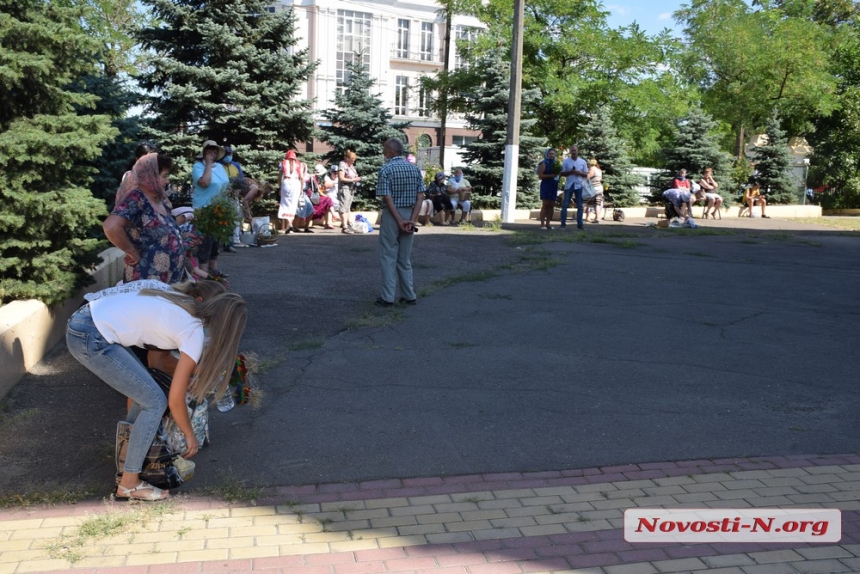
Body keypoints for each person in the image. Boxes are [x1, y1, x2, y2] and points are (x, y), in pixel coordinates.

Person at [66, 290, 247, 501]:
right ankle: (129, 485)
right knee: (154, 402)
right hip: (90, 335)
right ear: (228, 327)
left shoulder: (184, 304)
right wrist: (190, 435)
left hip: (86, 322)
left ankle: (127, 471)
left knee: (146, 397)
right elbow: (175, 400)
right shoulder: (193, 333)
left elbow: (158, 363)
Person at [104, 153, 186, 285]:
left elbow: (163, 232)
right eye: (164, 176)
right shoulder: (137, 198)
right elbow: (111, 226)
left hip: (167, 283)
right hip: (146, 282)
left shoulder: (158, 199)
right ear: (150, 176)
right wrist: (131, 251)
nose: (167, 181)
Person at [375, 138, 424, 307]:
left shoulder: (386, 170)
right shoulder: (414, 169)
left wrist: (398, 220)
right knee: (404, 257)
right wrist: (412, 219)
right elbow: (420, 196)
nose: (383, 152)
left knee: (388, 254)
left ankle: (388, 297)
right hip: (410, 212)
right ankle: (409, 294)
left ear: (390, 151)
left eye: (384, 149)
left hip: (392, 215)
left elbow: (387, 198)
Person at [191, 140, 230, 279]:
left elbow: (226, 184)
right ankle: (203, 274)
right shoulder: (198, 167)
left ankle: (214, 271)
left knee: (215, 242)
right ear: (204, 153)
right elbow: (205, 182)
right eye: (209, 152)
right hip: (203, 210)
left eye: (214, 152)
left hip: (218, 209)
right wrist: (207, 165)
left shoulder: (219, 167)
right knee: (204, 243)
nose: (212, 154)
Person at [277, 150, 307, 234]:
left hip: (286, 182)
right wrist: (301, 189)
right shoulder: (299, 164)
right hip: (296, 184)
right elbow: (301, 177)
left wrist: (280, 188)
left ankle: (289, 224)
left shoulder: (282, 163)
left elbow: (279, 178)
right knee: (293, 205)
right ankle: (290, 225)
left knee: (285, 204)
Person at [559, 145, 588, 230]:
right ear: (570, 151)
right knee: (565, 205)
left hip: (579, 185)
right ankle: (563, 224)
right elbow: (562, 173)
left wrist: (579, 173)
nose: (574, 152)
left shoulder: (582, 162)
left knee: (580, 205)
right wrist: (570, 172)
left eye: (575, 150)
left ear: (577, 151)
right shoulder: (566, 161)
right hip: (569, 185)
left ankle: (580, 225)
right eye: (572, 150)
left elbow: (586, 174)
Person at [338, 151, 361, 234]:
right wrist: (353, 180)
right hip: (344, 188)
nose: (353, 161)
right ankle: (344, 227)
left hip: (351, 188)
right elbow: (341, 178)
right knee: (343, 207)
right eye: (351, 159)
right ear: (346, 158)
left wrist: (357, 178)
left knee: (348, 208)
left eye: (354, 159)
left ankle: (347, 224)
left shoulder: (351, 166)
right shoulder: (342, 165)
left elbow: (354, 175)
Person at [537, 148, 560, 230]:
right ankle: (542, 224)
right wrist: (550, 175)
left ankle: (548, 224)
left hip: (554, 186)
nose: (551, 155)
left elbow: (559, 173)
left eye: (553, 154)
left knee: (551, 205)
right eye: (550, 154)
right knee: (545, 205)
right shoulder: (543, 163)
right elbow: (540, 176)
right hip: (546, 185)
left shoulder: (556, 163)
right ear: (547, 154)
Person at [585, 158, 605, 224]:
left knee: (589, 203)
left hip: (594, 188)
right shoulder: (599, 170)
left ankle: (588, 217)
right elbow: (600, 179)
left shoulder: (592, 169)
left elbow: (588, 177)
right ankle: (598, 218)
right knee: (598, 203)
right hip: (599, 188)